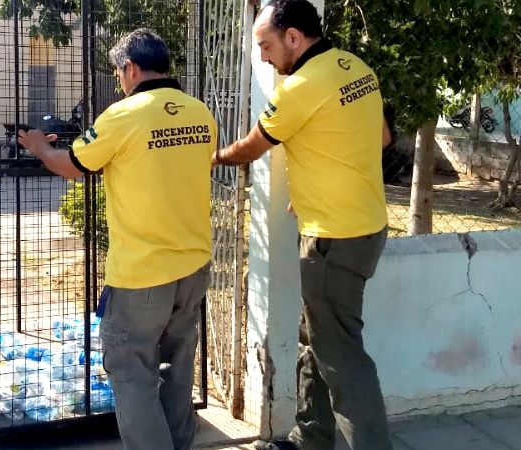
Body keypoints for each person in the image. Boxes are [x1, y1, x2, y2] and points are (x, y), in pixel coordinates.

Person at [19, 28, 218, 450]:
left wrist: (38, 146)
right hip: (193, 266)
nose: (119, 82)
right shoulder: (200, 113)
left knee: (131, 371)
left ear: (130, 68)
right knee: (178, 369)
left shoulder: (123, 115)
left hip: (143, 273)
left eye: (118, 73)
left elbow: (71, 166)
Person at [213, 1, 393, 449]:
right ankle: (309, 437)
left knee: (342, 359)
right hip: (366, 227)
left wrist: (212, 157)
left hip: (333, 239)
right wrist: (318, 181)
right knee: (316, 336)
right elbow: (381, 137)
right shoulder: (356, 69)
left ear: (293, 37)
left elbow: (252, 147)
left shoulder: (299, 87)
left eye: (266, 45)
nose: (263, 57)